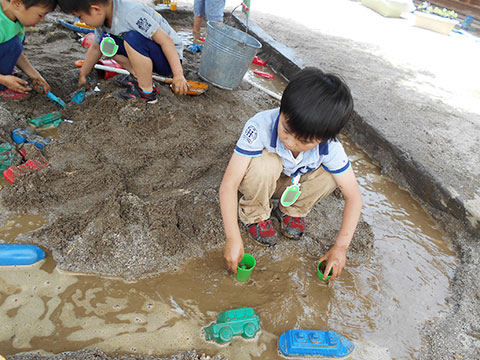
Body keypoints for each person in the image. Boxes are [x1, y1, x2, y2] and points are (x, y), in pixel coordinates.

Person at [219, 67, 362, 281]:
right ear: (281, 109)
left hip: (294, 184)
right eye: (285, 129)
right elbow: (229, 184)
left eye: (304, 141)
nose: (290, 142)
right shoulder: (260, 126)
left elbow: (354, 196)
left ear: (324, 138)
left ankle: (293, 210)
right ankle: (255, 213)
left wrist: (341, 247)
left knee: (333, 175)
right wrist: (232, 237)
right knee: (265, 163)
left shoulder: (331, 147)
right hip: (263, 180)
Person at [57, 0, 188, 104]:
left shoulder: (131, 13)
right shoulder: (102, 21)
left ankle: (147, 92)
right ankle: (138, 76)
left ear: (96, 9)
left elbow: (166, 41)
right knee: (105, 42)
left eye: (80, 17)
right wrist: (83, 75)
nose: (81, 21)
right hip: (147, 54)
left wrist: (178, 75)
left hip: (168, 59)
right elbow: (96, 48)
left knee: (132, 38)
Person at [0, 0, 56, 100]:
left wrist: (34, 75)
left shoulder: (14, 17)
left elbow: (16, 53)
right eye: (40, 15)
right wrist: (4, 80)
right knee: (12, 44)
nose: (43, 20)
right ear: (17, 4)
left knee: (14, 43)